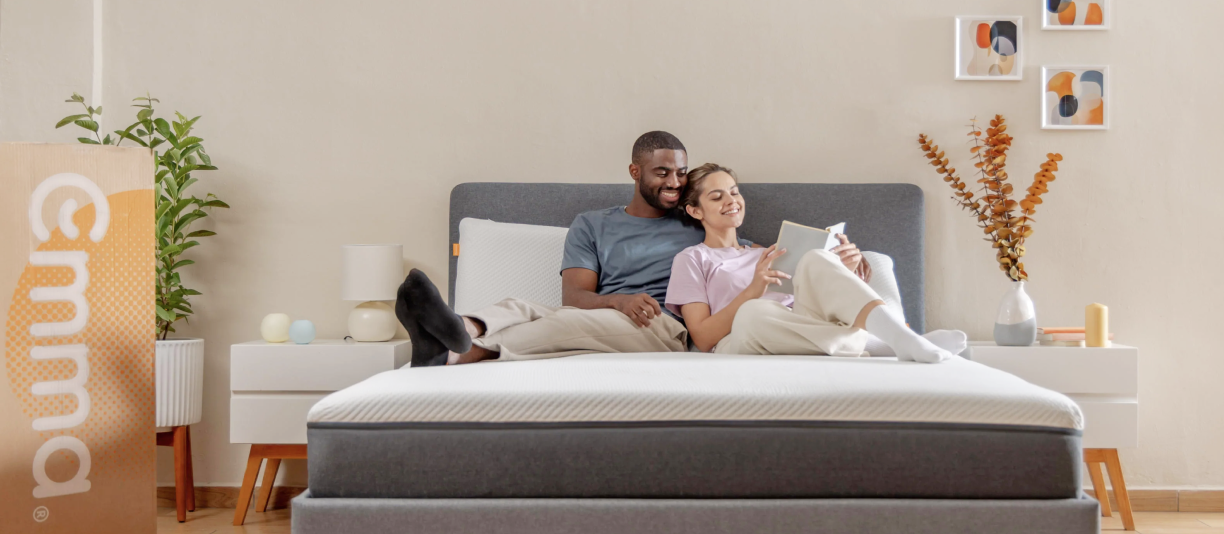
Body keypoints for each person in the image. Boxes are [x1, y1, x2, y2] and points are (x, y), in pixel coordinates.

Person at [395, 131, 752, 366]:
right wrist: (619, 299)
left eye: (681, 173)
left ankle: (452, 354)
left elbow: (736, 255)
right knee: (524, 307)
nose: (674, 183)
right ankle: (460, 327)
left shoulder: (696, 222)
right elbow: (574, 297)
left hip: (663, 326)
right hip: (608, 313)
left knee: (561, 327)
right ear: (635, 171)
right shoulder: (592, 224)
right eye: (662, 173)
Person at [664, 163, 967, 363]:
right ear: (694, 211)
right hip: (744, 336)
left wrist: (842, 270)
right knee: (753, 311)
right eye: (717, 197)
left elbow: (811, 304)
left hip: (801, 325)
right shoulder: (692, 259)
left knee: (814, 256)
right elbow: (702, 339)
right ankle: (883, 345)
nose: (731, 200)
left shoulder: (769, 252)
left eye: (734, 192)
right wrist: (752, 290)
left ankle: (897, 338)